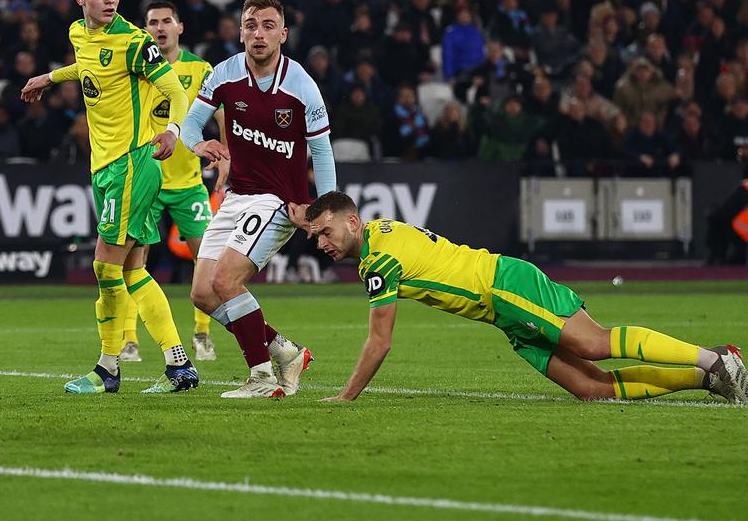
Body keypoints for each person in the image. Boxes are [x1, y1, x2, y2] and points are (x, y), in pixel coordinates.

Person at [302, 191, 748, 404]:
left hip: (504, 285)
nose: (322, 243)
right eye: (316, 236)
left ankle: (713, 359)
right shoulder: (380, 230)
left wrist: (346, 397)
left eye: (325, 232)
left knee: (593, 343)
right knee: (592, 390)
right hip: (501, 313)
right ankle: (706, 379)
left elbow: (380, 342)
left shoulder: (378, 258)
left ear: (352, 221)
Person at [19, 0, 198, 395]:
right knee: (133, 270)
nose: (109, 1)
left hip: (131, 164)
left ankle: (107, 368)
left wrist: (173, 130)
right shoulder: (79, 34)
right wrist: (50, 76)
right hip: (106, 166)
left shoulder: (135, 43)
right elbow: (88, 68)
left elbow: (174, 88)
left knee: (104, 266)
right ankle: (179, 365)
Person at [182, 0, 337, 398]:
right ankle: (283, 351)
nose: (259, 33)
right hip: (237, 197)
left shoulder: (302, 85)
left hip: (278, 202)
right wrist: (197, 145)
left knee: (225, 279)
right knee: (201, 293)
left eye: (268, 25)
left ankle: (263, 378)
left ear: (283, 34)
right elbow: (189, 125)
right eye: (251, 24)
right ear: (240, 32)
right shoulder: (225, 73)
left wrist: (326, 210)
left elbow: (321, 151)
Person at [119, 0, 227, 363]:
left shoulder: (200, 68)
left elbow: (222, 111)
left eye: (167, 21)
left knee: (207, 257)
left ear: (180, 27)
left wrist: (228, 157)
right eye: (153, 22)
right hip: (144, 178)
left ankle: (201, 333)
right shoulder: (137, 66)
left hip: (187, 183)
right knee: (134, 260)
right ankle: (130, 340)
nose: (160, 27)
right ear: (145, 28)